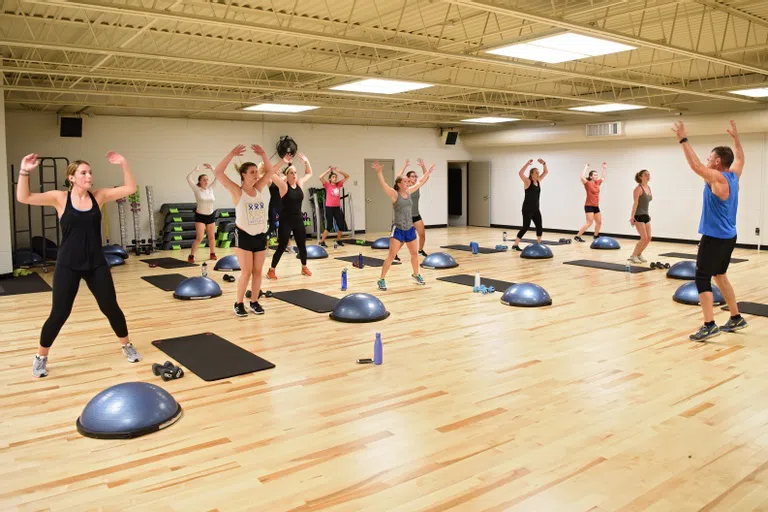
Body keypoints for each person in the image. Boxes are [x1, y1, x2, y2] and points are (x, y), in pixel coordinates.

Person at [16, 152, 141, 378]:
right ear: (72, 177)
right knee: (59, 313)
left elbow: (130, 188)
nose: (89, 176)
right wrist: (24, 171)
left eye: (90, 172)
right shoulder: (60, 198)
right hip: (67, 265)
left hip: (96, 264)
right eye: (83, 173)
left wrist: (124, 163)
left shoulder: (99, 196)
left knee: (110, 307)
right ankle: (40, 357)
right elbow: (24, 197)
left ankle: (126, 345)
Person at [673, 120, 747, 341]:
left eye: (709, 158)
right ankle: (735, 317)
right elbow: (740, 158)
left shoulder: (719, 179)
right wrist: (736, 138)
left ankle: (709, 324)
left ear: (716, 162)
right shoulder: (734, 174)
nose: (707, 161)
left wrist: (683, 139)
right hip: (728, 236)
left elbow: (696, 167)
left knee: (702, 278)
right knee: (720, 275)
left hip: (715, 238)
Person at [213, 144, 277, 317]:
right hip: (244, 237)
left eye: (257, 172)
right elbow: (218, 172)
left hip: (260, 236)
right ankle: (238, 303)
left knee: (258, 272)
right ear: (243, 174)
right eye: (252, 172)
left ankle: (254, 302)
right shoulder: (237, 191)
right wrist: (231, 154)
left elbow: (270, 172)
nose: (257, 175)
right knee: (246, 272)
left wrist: (264, 154)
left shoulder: (258, 189)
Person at [373, 160, 434, 291]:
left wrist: (427, 172)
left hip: (410, 229)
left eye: (408, 181)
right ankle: (381, 279)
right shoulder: (394, 194)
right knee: (391, 255)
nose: (408, 183)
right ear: (399, 184)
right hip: (398, 229)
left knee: (414, 255)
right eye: (405, 181)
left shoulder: (410, 192)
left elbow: (421, 182)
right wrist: (379, 172)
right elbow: (383, 184)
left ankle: (416, 274)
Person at [267, 153, 313, 279]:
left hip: (298, 219)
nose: (294, 175)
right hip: (285, 219)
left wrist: (306, 161)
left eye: (295, 173)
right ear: (286, 176)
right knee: (282, 246)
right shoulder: (283, 186)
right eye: (291, 173)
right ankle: (271, 270)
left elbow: (309, 173)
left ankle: (304, 267)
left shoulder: (299, 184)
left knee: (302, 245)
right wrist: (283, 161)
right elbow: (270, 173)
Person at [397, 158, 432, 257]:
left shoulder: (417, 186)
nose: (415, 178)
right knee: (404, 238)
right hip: (406, 217)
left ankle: (420, 250)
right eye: (412, 176)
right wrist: (404, 166)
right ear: (408, 178)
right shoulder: (404, 187)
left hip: (416, 215)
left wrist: (423, 166)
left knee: (422, 235)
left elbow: (426, 177)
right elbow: (398, 177)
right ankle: (394, 254)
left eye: (416, 176)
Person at [511, 158, 548, 250]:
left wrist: (544, 163)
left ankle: (539, 244)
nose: (538, 174)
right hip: (527, 209)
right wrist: (527, 164)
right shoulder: (528, 182)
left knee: (539, 226)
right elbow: (520, 173)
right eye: (536, 172)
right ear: (531, 174)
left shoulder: (538, 181)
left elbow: (546, 172)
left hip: (536, 209)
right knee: (525, 227)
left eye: (538, 172)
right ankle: (515, 245)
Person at [186, 164, 218, 263]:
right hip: (200, 216)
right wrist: (195, 170)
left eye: (207, 179)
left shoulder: (211, 189)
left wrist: (212, 168)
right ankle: (191, 255)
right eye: (204, 179)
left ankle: (212, 253)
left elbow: (218, 176)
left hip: (211, 216)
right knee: (199, 237)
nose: (206, 181)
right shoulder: (196, 189)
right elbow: (188, 178)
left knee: (212, 237)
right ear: (200, 181)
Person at [574, 162, 607, 242]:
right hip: (589, 205)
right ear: (591, 176)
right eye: (595, 175)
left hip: (596, 206)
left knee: (599, 222)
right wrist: (586, 167)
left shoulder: (597, 183)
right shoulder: (587, 183)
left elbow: (603, 177)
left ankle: (596, 236)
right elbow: (582, 177)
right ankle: (577, 236)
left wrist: (604, 168)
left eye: (596, 175)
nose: (596, 176)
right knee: (589, 222)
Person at [319, 166, 350, 247]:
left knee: (340, 225)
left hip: (337, 208)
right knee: (329, 226)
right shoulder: (327, 185)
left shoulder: (339, 184)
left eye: (336, 177)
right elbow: (320, 177)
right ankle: (322, 241)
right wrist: (328, 170)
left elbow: (347, 176)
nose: (335, 178)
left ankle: (338, 240)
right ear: (330, 179)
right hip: (329, 208)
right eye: (333, 177)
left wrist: (339, 171)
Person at [628, 170, 653, 263]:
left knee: (649, 237)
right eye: (646, 175)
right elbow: (635, 203)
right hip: (638, 215)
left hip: (646, 215)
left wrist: (648, 214)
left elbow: (645, 203)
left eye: (648, 174)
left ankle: (639, 254)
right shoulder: (638, 189)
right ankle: (633, 255)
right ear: (640, 177)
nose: (648, 176)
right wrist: (632, 216)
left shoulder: (648, 187)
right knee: (644, 238)